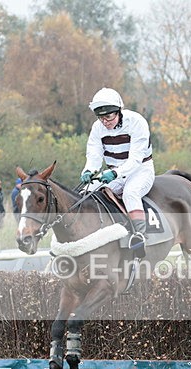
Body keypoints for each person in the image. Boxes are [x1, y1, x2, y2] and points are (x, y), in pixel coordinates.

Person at [80, 87, 154, 256]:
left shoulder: (137, 122)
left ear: (119, 111)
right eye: (101, 117)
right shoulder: (97, 128)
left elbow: (135, 159)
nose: (105, 122)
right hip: (113, 172)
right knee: (86, 192)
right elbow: (94, 155)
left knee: (130, 193)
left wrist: (114, 173)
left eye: (109, 116)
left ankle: (140, 236)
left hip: (140, 170)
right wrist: (89, 171)